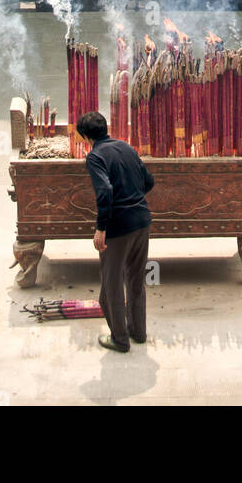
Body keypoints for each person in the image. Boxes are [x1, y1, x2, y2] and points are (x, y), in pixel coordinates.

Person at [76, 110, 155, 353]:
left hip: (118, 228)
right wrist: (133, 199)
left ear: (86, 137)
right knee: (135, 281)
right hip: (142, 221)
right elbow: (148, 181)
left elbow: (105, 192)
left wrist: (101, 228)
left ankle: (120, 339)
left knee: (111, 287)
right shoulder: (126, 147)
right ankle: (138, 332)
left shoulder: (95, 157)